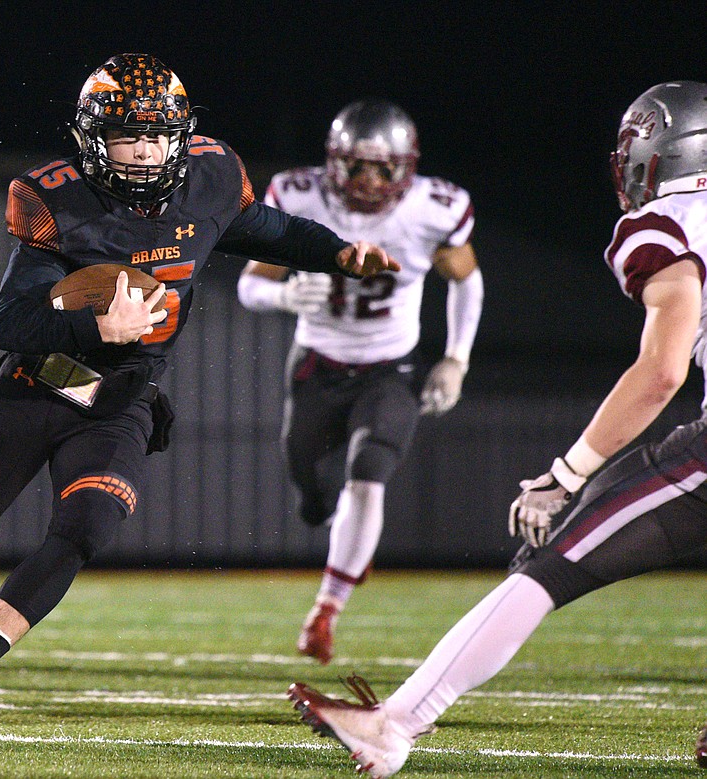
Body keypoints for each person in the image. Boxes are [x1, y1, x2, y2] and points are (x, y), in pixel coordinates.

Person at [0, 52, 398, 732]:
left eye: (157, 136)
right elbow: (10, 323)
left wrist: (340, 251)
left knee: (86, 527)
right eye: (126, 136)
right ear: (91, 138)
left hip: (121, 398)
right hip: (41, 381)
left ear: (180, 136)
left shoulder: (210, 178)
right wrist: (93, 322)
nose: (143, 152)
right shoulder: (55, 198)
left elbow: (270, 231)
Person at [287, 80, 707, 778]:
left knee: (555, 561)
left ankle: (395, 722)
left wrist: (565, 472)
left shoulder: (670, 223)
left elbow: (660, 371)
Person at [237, 99, 483, 664]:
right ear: (333, 164)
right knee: (311, 493)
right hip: (317, 362)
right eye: (356, 167)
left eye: (383, 169)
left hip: (389, 367)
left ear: (407, 167)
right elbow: (252, 285)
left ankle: (326, 609)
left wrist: (456, 359)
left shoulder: (433, 208)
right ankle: (345, 539)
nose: (369, 182)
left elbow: (467, 282)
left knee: (369, 473)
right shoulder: (297, 195)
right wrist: (283, 294)